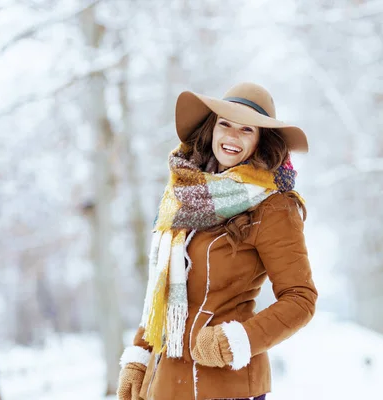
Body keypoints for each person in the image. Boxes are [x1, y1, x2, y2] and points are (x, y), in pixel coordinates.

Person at [116, 82, 318, 400]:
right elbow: (164, 291)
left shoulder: (274, 205)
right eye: (225, 124)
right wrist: (140, 357)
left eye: (246, 129)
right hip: (167, 381)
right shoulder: (183, 196)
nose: (232, 137)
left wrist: (237, 340)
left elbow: (301, 298)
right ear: (212, 128)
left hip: (227, 384)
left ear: (260, 140)